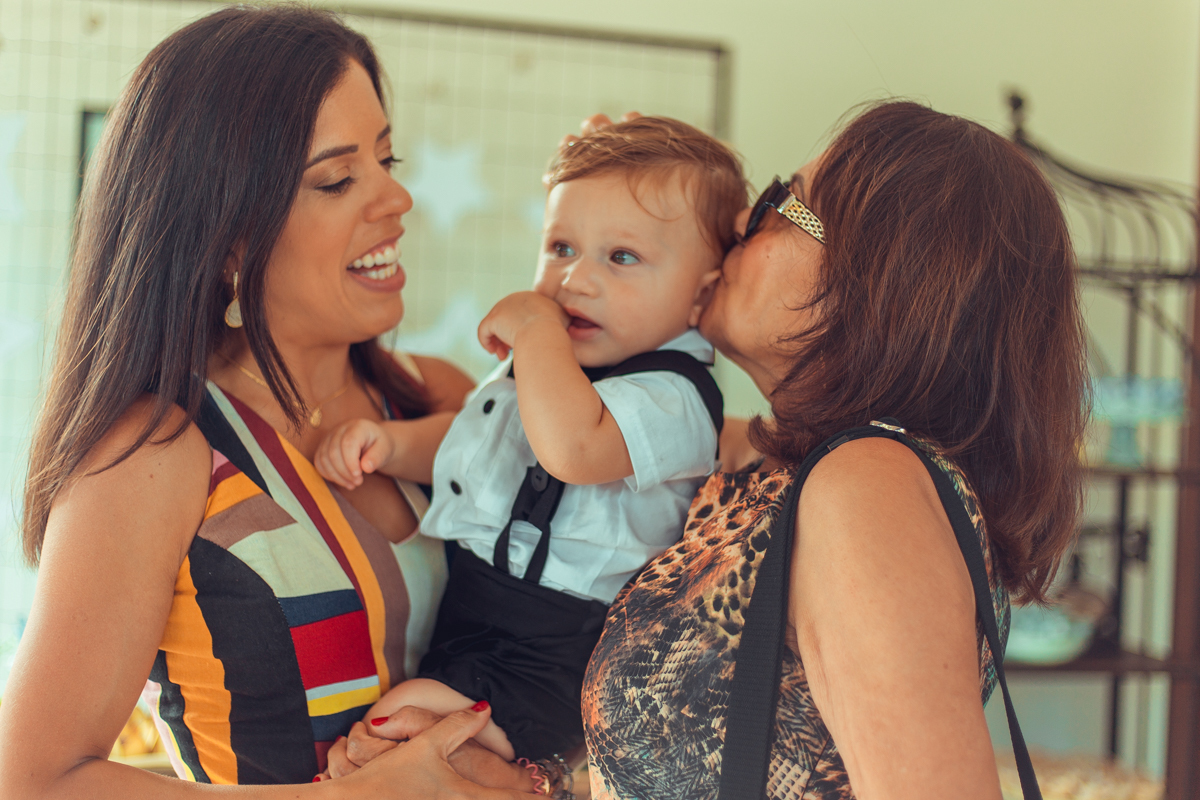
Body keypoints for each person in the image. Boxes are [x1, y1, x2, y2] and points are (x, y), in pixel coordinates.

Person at [0, 6, 532, 797]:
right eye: (338, 178)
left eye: (389, 158)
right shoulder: (153, 453)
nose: (398, 199)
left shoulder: (440, 398)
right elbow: (34, 780)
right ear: (228, 240)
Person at [576, 101, 1088, 799]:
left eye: (777, 202)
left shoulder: (867, 485)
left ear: (871, 279)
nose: (734, 226)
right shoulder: (773, 476)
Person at [315, 117, 747, 763]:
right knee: (399, 740)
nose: (575, 280)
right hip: (475, 615)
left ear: (700, 295)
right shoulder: (554, 364)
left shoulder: (676, 397)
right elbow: (486, 444)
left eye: (621, 257)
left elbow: (572, 451)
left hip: (561, 647)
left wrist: (537, 330)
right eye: (561, 248)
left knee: (396, 738)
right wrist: (391, 444)